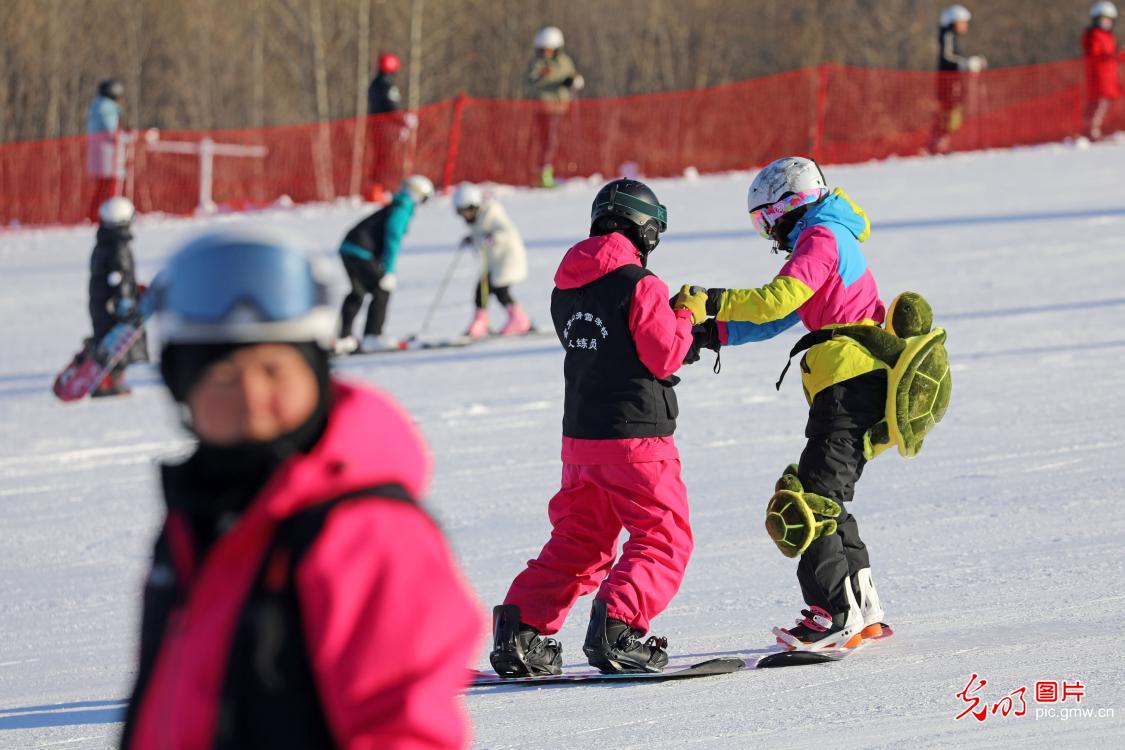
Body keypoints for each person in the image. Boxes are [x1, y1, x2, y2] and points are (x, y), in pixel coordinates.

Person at [120, 229, 482, 749]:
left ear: (316, 372)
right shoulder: (201, 516)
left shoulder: (363, 530)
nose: (251, 397)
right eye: (222, 376)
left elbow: (403, 729)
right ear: (182, 389)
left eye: (274, 369)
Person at [675, 157, 887, 651]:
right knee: (827, 496)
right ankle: (863, 609)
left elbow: (775, 299)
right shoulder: (828, 233)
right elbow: (780, 316)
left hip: (849, 384)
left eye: (763, 218)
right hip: (851, 382)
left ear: (786, 204)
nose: (767, 231)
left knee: (808, 500)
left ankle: (832, 615)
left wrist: (712, 299)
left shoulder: (821, 237)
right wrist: (714, 333)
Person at [490, 179, 694, 677]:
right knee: (664, 536)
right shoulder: (642, 284)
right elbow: (664, 353)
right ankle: (619, 627)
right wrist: (685, 316)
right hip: (637, 439)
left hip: (581, 438)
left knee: (583, 538)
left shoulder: (566, 284)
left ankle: (523, 631)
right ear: (644, 230)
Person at [337, 174, 434, 353]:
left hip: (349, 247)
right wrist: (388, 270)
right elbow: (393, 236)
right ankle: (373, 336)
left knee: (357, 292)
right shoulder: (403, 207)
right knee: (382, 288)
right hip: (360, 251)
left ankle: (343, 337)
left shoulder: (397, 204)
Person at [453, 183, 530, 338]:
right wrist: (472, 239)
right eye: (461, 212)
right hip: (495, 261)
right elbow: (480, 234)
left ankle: (519, 320)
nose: (465, 216)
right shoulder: (478, 217)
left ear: (474, 205)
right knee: (482, 288)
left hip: (508, 258)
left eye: (467, 211)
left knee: (499, 288)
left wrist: (491, 237)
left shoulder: (492, 212)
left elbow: (507, 232)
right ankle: (481, 321)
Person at [88, 196, 147, 397]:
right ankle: (107, 382)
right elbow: (118, 276)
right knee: (118, 343)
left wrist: (133, 288)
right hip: (112, 305)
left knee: (108, 339)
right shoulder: (118, 246)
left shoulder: (104, 242)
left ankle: (110, 378)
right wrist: (125, 301)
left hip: (101, 304)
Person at [525, 26, 583, 188]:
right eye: (543, 50)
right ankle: (542, 175)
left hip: (560, 108)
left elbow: (573, 76)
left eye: (549, 50)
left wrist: (571, 82)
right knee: (546, 141)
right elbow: (532, 81)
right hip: (544, 108)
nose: (545, 53)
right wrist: (544, 77)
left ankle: (553, 172)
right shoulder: (538, 64)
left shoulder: (565, 62)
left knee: (554, 142)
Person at [932, 5, 987, 153]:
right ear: (954, 21)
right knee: (948, 111)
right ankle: (939, 142)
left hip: (953, 80)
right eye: (962, 22)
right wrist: (967, 63)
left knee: (954, 111)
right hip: (948, 81)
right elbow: (947, 57)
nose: (965, 25)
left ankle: (944, 141)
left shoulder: (951, 36)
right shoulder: (948, 35)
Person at [365, 52, 416, 200]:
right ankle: (380, 190)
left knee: (380, 159)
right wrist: (403, 120)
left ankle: (376, 190)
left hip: (377, 127)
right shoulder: (387, 85)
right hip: (387, 129)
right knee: (386, 160)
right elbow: (392, 106)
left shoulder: (374, 84)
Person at [86, 79, 128, 222]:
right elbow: (112, 132)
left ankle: (94, 215)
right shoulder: (109, 109)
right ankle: (109, 216)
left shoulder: (96, 107)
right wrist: (127, 136)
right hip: (110, 156)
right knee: (111, 187)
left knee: (101, 188)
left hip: (98, 155)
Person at [1083, 1, 1121, 140]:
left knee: (1101, 105)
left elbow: (1113, 54)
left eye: (1108, 20)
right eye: (1103, 19)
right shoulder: (1093, 35)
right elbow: (1095, 53)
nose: (1106, 22)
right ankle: (1091, 133)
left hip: (1108, 79)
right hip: (1098, 79)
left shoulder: (1109, 36)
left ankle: (1096, 131)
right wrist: (1111, 55)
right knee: (1097, 106)